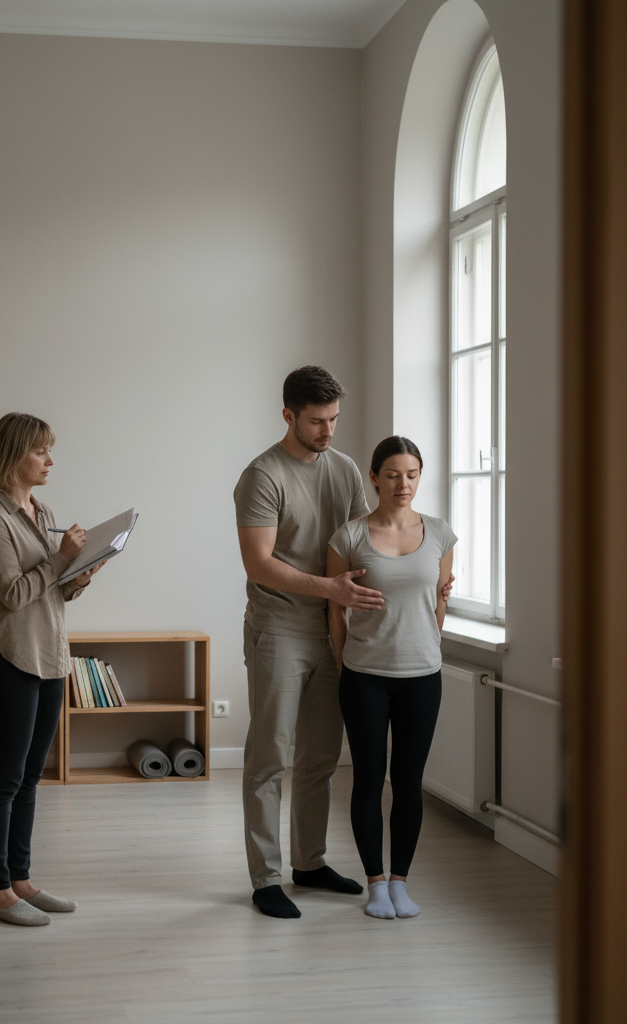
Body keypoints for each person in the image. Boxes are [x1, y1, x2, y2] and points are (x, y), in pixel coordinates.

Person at [233, 365, 382, 919]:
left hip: (333, 633)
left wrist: (423, 570)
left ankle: (310, 862)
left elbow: (362, 546)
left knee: (321, 758)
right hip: (278, 630)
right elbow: (259, 563)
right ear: (289, 415)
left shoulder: (342, 470)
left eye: (335, 420)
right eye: (317, 421)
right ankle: (266, 877)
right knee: (269, 757)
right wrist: (330, 589)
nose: (328, 431)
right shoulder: (262, 475)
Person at [0, 412, 104, 926]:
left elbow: (53, 589)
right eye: (41, 451)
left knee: (29, 779)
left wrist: (82, 572)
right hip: (10, 657)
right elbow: (15, 592)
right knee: (3, 779)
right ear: (13, 455)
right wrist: (60, 558)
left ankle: (20, 879)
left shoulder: (37, 509)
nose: (50, 460)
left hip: (49, 655)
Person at [326, 436, 456, 920]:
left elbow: (438, 601)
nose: (404, 484)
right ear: (374, 477)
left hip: (423, 676)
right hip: (364, 676)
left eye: (413, 474)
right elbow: (335, 611)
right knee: (366, 780)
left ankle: (400, 880)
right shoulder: (349, 537)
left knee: (408, 781)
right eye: (394, 474)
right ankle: (375, 884)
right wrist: (344, 664)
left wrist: (423, 643)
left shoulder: (441, 534)